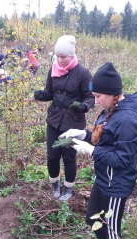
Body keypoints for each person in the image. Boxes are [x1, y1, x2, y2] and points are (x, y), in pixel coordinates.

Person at [60, 62, 137, 239]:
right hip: (104, 178)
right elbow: (103, 139)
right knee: (92, 219)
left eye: (98, 96)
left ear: (113, 94)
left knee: (112, 228)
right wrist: (83, 134)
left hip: (117, 184)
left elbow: (123, 159)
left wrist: (91, 152)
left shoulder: (128, 120)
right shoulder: (110, 111)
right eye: (94, 96)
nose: (95, 101)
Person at [33, 35, 95, 202]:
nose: (59, 60)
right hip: (54, 121)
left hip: (72, 123)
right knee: (52, 157)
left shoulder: (83, 73)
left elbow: (91, 97)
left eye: (63, 57)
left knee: (68, 157)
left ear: (72, 55)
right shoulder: (53, 70)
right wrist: (42, 95)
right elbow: (50, 93)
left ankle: (68, 188)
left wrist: (83, 106)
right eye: (57, 56)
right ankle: (55, 183)